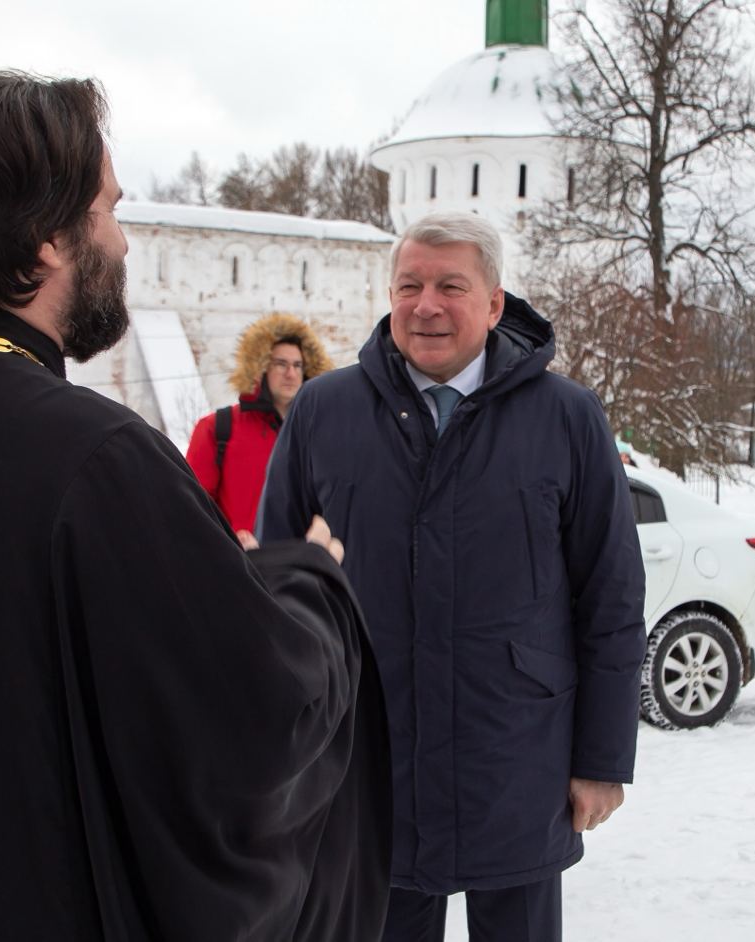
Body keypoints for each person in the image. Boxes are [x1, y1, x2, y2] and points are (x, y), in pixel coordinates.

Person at [0, 72, 392, 941]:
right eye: (107, 211)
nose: (123, 242)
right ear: (44, 238)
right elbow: (251, 717)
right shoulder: (90, 453)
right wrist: (312, 582)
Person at [258, 212, 646, 942]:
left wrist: (601, 758)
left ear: (494, 303)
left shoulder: (567, 417)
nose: (425, 305)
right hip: (372, 763)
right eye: (409, 285)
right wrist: (284, 753)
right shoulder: (323, 411)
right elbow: (277, 586)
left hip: (519, 756)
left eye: (449, 286)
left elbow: (612, 595)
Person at [185, 313, 331, 537]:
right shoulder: (218, 428)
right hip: (239, 563)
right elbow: (191, 508)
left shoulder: (319, 434)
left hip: (301, 565)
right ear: (260, 368)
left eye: (298, 365)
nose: (291, 374)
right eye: (280, 364)